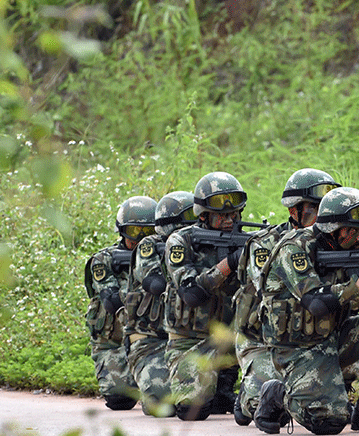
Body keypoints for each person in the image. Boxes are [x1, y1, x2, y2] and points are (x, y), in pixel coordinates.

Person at [253, 186, 359, 435]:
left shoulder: (352, 250)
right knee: (328, 422)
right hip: (296, 349)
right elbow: (316, 303)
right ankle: (277, 392)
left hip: (334, 337)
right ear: (331, 228)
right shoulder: (295, 248)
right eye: (352, 231)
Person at [231, 168, 340, 426]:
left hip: (311, 337)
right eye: (315, 210)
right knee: (260, 405)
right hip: (264, 339)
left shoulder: (333, 242)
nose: (322, 217)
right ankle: (250, 393)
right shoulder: (265, 244)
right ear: (294, 211)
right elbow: (268, 289)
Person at [164, 171, 248, 421]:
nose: (229, 219)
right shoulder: (181, 241)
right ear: (203, 215)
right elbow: (191, 293)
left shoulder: (244, 240)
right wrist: (229, 263)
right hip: (189, 341)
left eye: (233, 214)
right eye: (221, 215)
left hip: (231, 338)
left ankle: (226, 387)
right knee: (192, 411)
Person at [124, 190, 196, 416]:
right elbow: (154, 283)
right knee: (163, 402)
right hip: (150, 341)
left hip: (187, 338)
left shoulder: (197, 246)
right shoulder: (149, 246)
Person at [85, 195, 156, 410]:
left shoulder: (159, 254)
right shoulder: (104, 260)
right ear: (122, 231)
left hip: (151, 338)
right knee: (120, 401)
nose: (141, 238)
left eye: (149, 232)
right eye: (135, 232)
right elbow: (111, 301)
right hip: (113, 342)